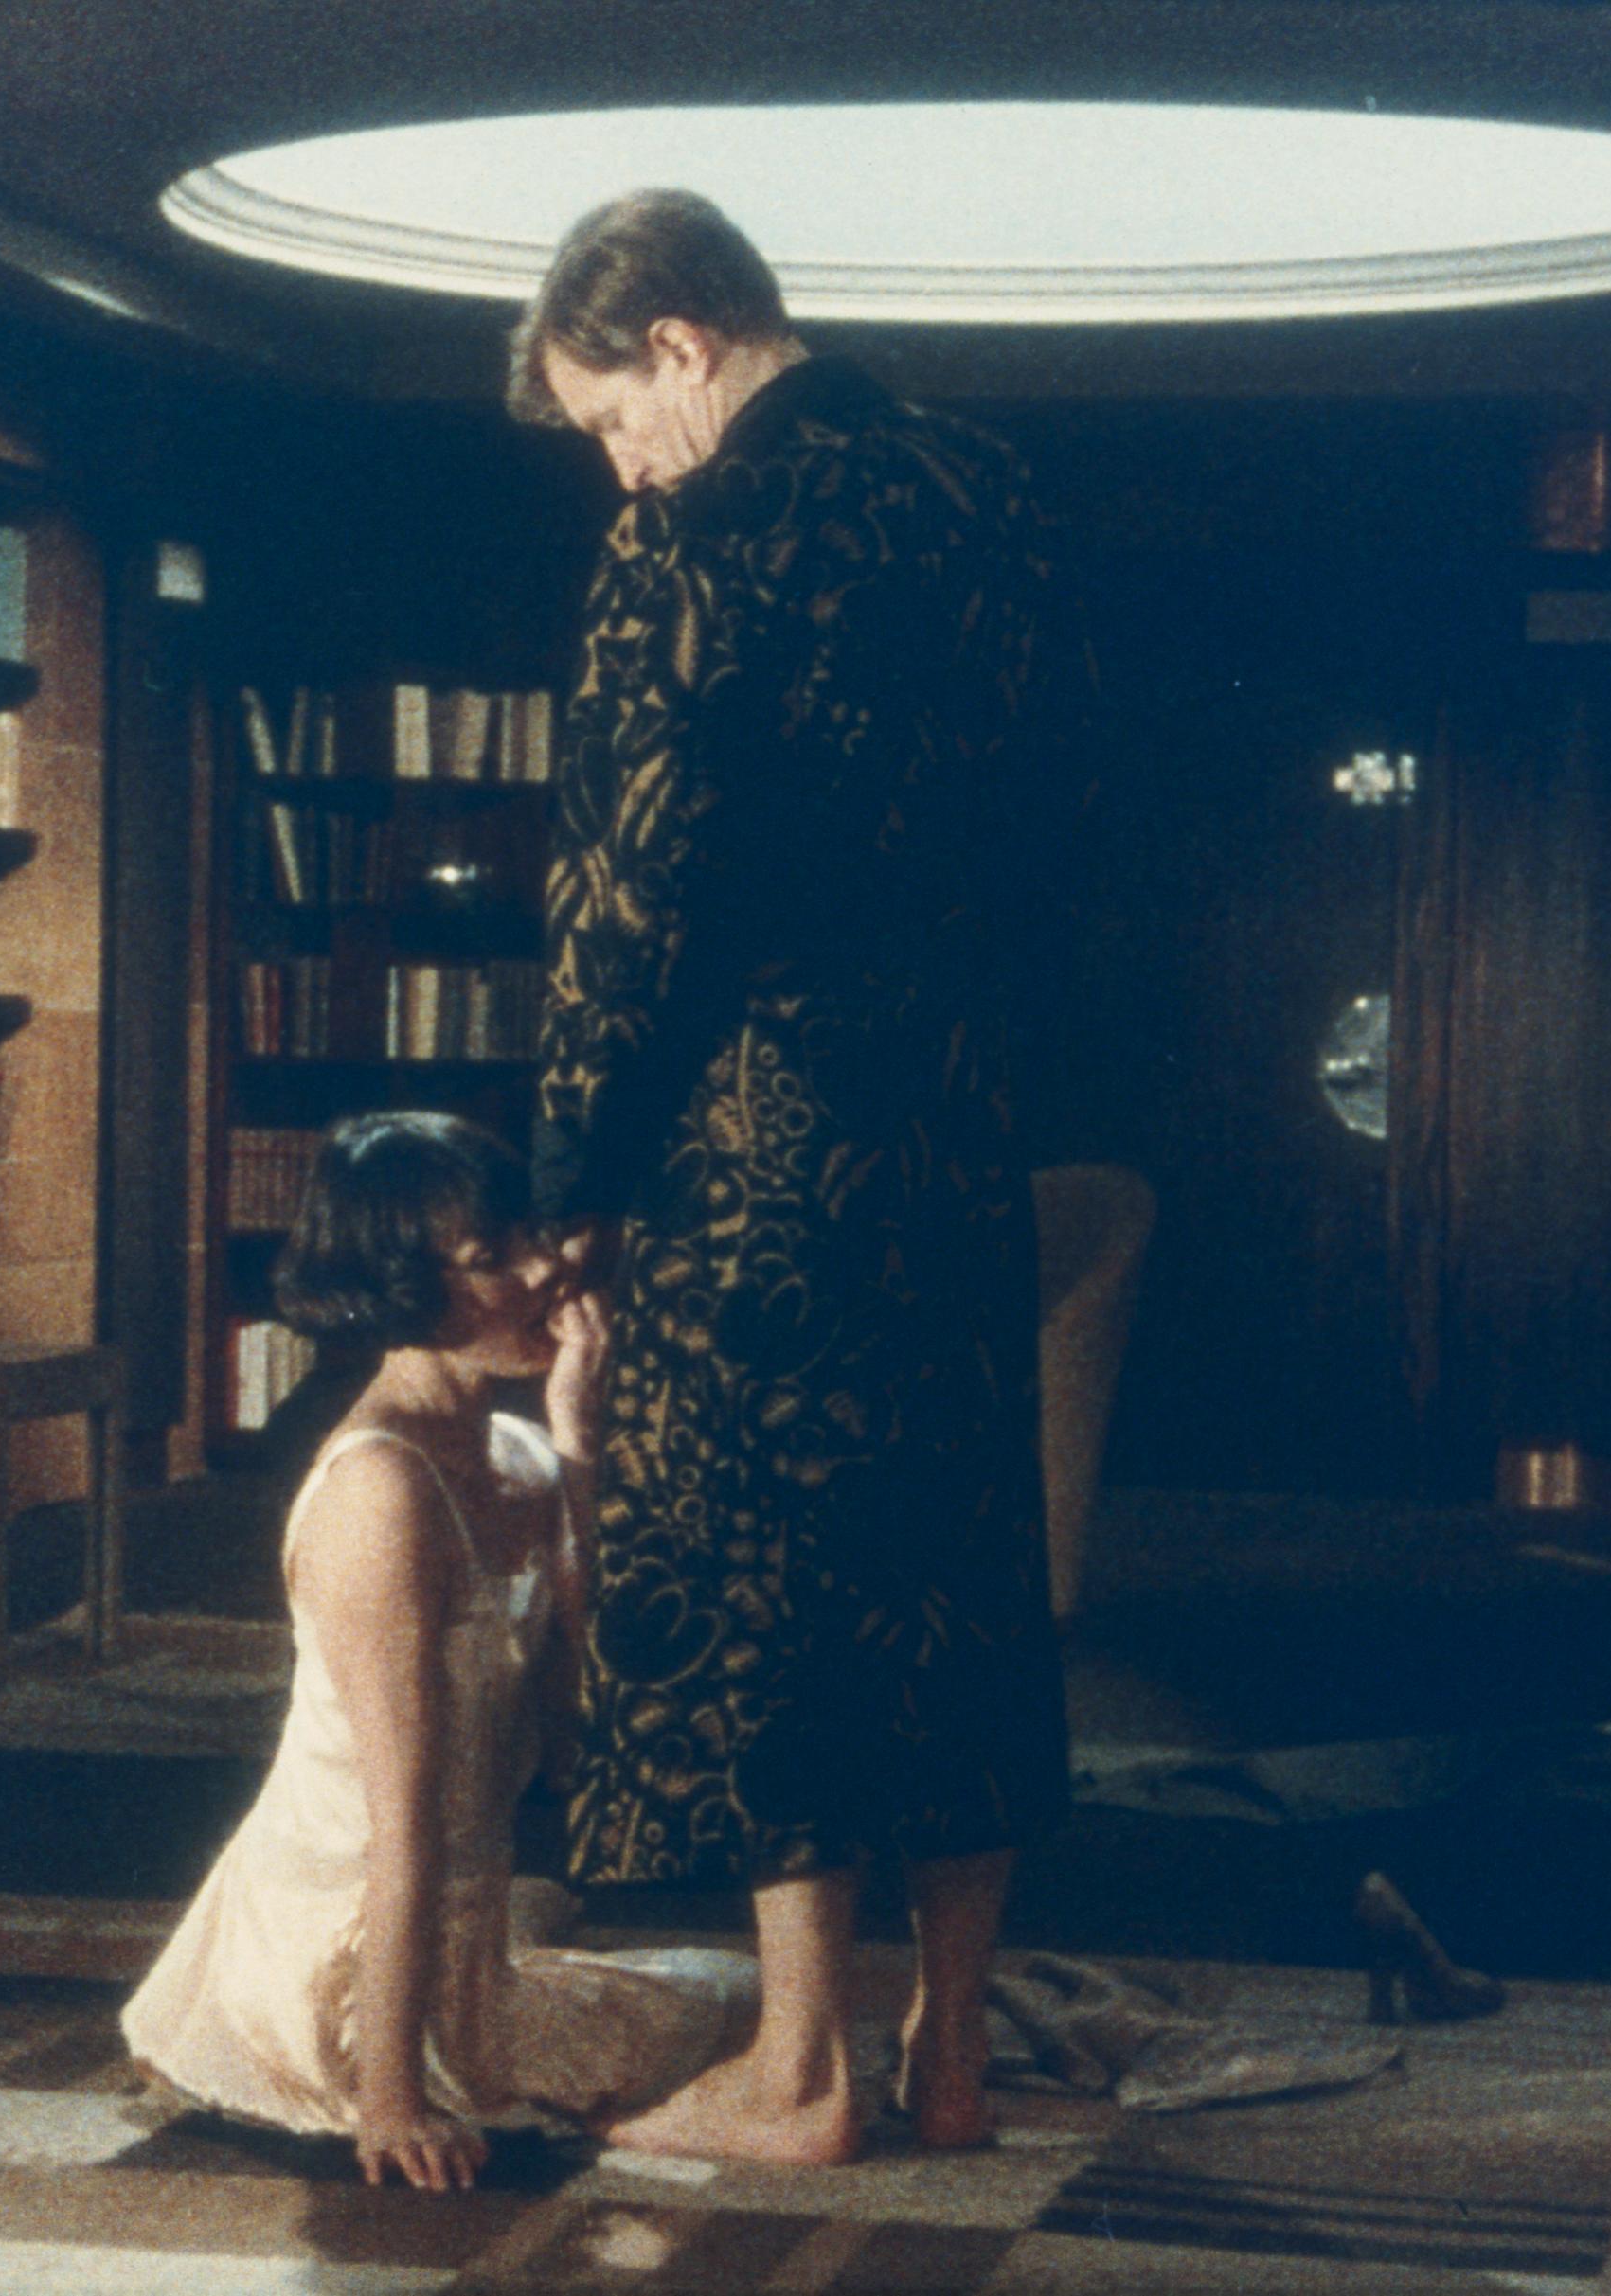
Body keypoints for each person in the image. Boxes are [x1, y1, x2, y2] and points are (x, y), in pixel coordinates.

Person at [507, 188, 1080, 2163]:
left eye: (613, 417)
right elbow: (1071, 826)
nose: (621, 464)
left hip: (756, 1146)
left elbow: (631, 889)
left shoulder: (690, 541)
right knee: (958, 1570)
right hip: (957, 1121)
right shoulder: (991, 499)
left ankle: (802, 2072)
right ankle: (952, 2055)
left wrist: (574, 1176)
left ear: (680, 341)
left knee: (772, 1584)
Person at [119, 1111, 750, 2190]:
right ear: (403, 1292)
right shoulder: (380, 1493)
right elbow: (398, 1820)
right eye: (492, 1254)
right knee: (730, 2020)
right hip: (336, 1955)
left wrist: (580, 1452)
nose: (546, 1268)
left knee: (739, 2002)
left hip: (460, 1933)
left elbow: (577, 1744)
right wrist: (390, 2098)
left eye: (529, 1233)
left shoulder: (519, 1456)